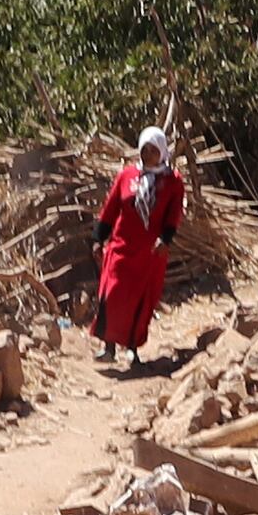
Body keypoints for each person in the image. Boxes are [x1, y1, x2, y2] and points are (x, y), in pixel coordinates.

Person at [93, 125, 187, 368]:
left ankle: (132, 348)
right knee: (111, 295)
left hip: (150, 252)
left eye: (153, 150)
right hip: (121, 246)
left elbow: (174, 213)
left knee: (139, 301)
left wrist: (165, 239)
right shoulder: (126, 176)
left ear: (162, 152)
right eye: (144, 150)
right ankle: (108, 346)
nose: (148, 155)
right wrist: (98, 238)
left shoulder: (172, 181)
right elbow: (111, 207)